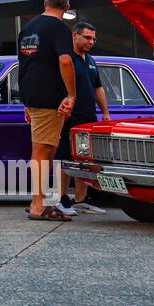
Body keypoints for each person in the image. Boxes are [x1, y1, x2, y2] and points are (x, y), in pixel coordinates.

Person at [18, 0, 78, 221]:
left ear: (44, 3)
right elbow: (65, 60)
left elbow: (23, 64)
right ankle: (37, 205)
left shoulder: (27, 28)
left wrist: (26, 101)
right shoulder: (60, 28)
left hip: (32, 94)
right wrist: (71, 95)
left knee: (47, 148)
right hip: (50, 96)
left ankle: (40, 200)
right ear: (67, 7)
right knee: (42, 150)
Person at [60, 22, 111, 213]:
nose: (92, 42)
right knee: (65, 157)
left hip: (88, 117)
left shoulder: (90, 60)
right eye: (88, 37)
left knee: (84, 158)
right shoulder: (66, 59)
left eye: (94, 39)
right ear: (75, 36)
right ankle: (62, 199)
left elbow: (98, 87)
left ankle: (80, 200)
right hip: (69, 116)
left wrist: (105, 112)